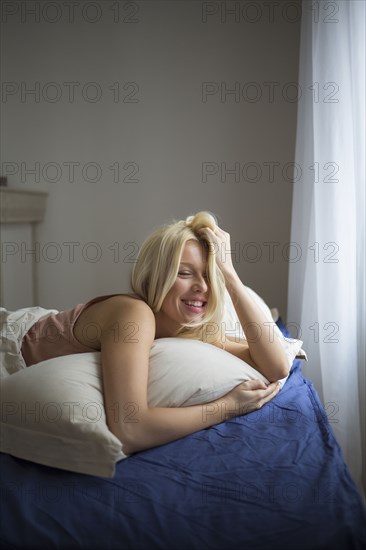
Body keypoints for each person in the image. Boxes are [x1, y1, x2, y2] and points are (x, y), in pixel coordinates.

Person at [20, 211, 289, 456]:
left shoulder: (190, 330)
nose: (202, 287)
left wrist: (229, 274)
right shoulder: (133, 315)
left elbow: (276, 367)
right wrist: (227, 407)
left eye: (209, 275)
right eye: (184, 273)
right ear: (154, 277)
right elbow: (129, 431)